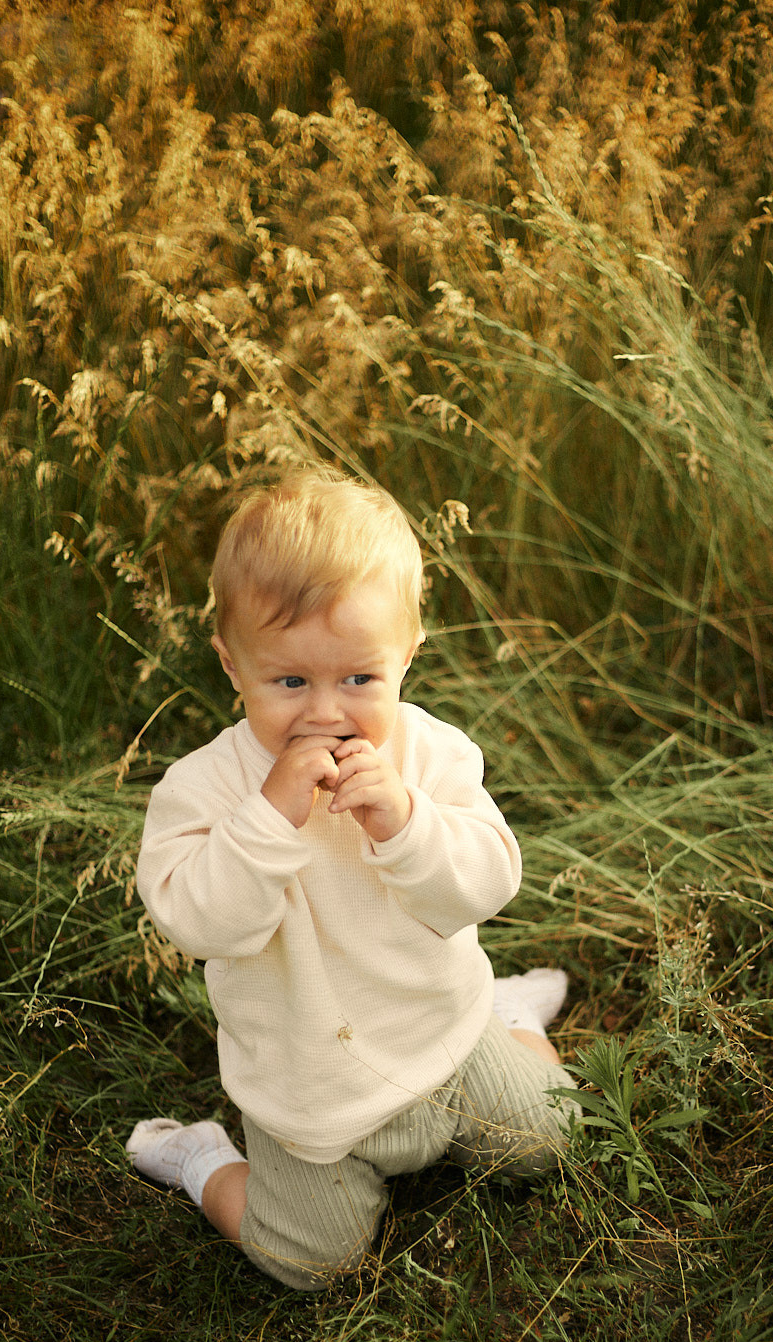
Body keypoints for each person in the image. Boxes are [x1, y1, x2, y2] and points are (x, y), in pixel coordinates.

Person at [126, 468, 579, 1290]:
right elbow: (198, 922)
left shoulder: (430, 755)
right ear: (233, 664)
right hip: (312, 1103)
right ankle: (202, 1160)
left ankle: (509, 1015)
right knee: (310, 1262)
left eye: (360, 679)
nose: (326, 712)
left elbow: (486, 883)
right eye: (290, 682)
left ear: (406, 653)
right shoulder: (204, 791)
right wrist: (266, 820)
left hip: (448, 1041)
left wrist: (408, 823)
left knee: (553, 1139)